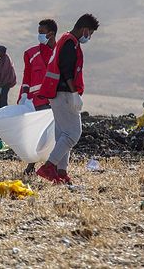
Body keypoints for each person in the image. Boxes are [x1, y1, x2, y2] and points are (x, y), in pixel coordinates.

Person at [36, 13, 100, 185]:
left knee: (63, 135)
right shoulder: (70, 43)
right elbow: (66, 70)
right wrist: (74, 93)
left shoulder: (66, 39)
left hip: (56, 93)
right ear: (85, 29)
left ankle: (61, 171)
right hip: (64, 93)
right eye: (91, 33)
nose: (90, 37)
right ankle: (49, 166)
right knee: (73, 134)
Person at [19, 18, 58, 175]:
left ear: (51, 33)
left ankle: (53, 166)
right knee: (38, 134)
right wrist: (23, 95)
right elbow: (26, 77)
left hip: (56, 99)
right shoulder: (31, 54)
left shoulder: (60, 52)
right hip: (38, 101)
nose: (39, 36)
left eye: (42, 33)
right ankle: (31, 165)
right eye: (38, 33)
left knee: (57, 135)